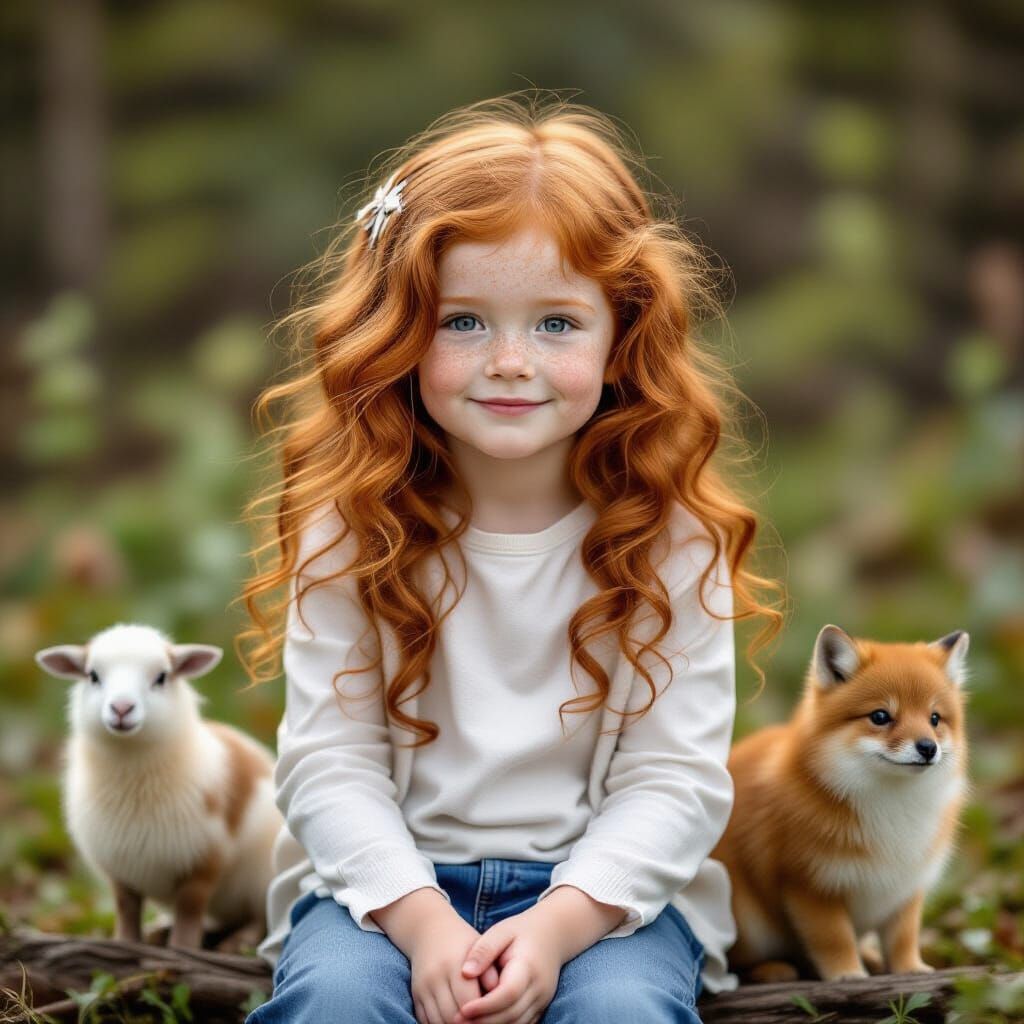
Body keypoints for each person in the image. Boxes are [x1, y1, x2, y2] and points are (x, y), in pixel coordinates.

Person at [235, 91, 784, 1024]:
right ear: (399, 332)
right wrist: (422, 924)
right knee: (333, 1001)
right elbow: (332, 760)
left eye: (557, 323)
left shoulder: (667, 533)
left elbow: (674, 778)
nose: (510, 361)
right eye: (464, 322)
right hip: (384, 896)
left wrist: (561, 925)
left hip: (609, 902)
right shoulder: (358, 523)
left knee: (621, 1014)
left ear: (624, 336)